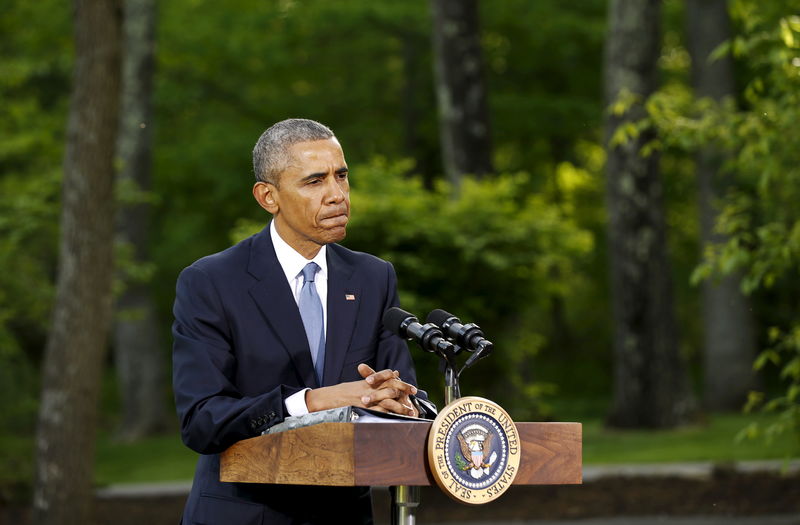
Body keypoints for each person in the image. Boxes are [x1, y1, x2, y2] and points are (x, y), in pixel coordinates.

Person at [172, 118, 434, 525]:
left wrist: (402, 405)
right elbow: (203, 421)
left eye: (341, 176)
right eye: (314, 182)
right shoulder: (211, 281)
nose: (337, 195)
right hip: (244, 514)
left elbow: (400, 388)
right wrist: (311, 402)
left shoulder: (373, 277)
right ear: (268, 197)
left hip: (346, 515)